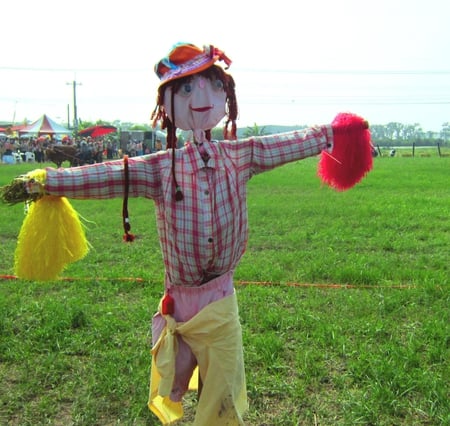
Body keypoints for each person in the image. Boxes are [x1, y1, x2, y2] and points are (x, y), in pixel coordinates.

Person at [0, 42, 373, 425]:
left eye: (212, 85)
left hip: (220, 298)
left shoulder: (240, 155)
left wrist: (332, 133)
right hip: (179, 302)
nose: (201, 98)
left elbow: (285, 144)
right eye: (187, 90)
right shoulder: (160, 168)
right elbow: (110, 175)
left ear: (225, 94)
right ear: (168, 104)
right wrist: (50, 182)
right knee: (174, 383)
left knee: (222, 391)